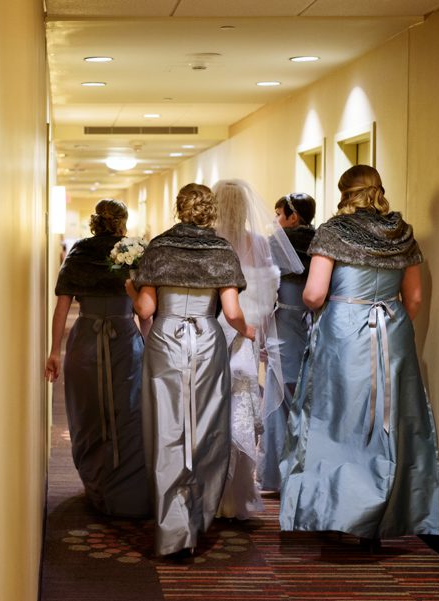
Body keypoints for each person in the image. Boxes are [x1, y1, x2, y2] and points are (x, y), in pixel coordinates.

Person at [279, 165, 439, 546]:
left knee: (337, 420)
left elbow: (314, 294)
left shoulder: (334, 231)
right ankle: (379, 514)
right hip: (392, 329)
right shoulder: (402, 232)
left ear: (344, 192)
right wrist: (389, 324)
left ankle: (337, 511)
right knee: (387, 424)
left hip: (343, 330)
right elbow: (414, 298)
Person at [126, 183, 255, 556]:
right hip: (207, 341)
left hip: (166, 339)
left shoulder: (160, 247)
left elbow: (145, 310)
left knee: (167, 428)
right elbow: (231, 313)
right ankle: (196, 519)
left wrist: (131, 290)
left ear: (178, 209)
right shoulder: (221, 250)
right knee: (206, 428)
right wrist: (246, 330)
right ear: (209, 211)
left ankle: (172, 529)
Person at [45, 199, 151, 518]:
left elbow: (62, 306)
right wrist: (149, 345)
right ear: (123, 222)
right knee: (127, 412)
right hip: (125, 339)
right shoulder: (134, 250)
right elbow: (145, 309)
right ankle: (126, 489)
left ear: (94, 222)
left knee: (88, 412)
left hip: (86, 340)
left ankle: (97, 485)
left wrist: (54, 351)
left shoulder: (78, 252)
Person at [211, 180, 304, 520]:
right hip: (244, 336)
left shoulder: (209, 243)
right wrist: (253, 330)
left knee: (209, 412)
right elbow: (268, 296)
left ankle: (210, 494)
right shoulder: (259, 244)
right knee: (241, 413)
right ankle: (237, 498)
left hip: (211, 334)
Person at [257, 193, 317, 492]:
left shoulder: (276, 246)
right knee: (307, 401)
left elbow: (266, 294)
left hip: (283, 326)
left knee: (279, 399)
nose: (275, 221)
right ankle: (304, 471)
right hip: (315, 326)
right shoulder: (321, 244)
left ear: (293, 217)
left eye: (278, 214)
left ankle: (277, 475)